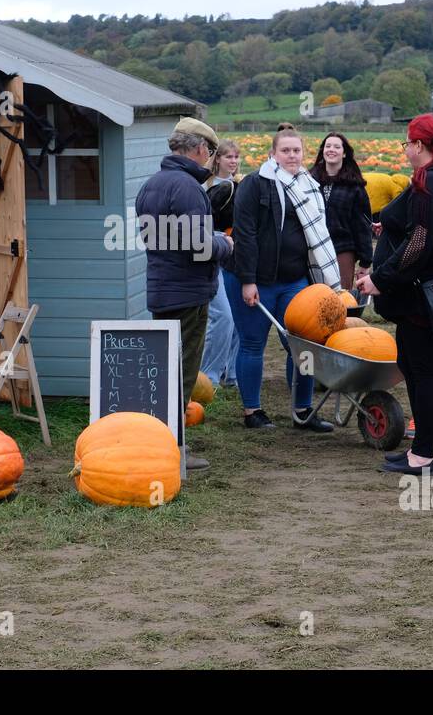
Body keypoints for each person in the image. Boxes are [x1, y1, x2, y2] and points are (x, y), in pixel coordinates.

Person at [356, 114, 433, 474]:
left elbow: (419, 244)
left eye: (406, 144)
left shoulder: (430, 182)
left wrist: (381, 278)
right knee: (420, 370)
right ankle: (418, 452)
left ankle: (422, 456)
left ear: (419, 146)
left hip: (424, 297)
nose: (405, 150)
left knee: (423, 374)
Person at [135, 117, 234, 470]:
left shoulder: (151, 185)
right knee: (182, 373)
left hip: (162, 288)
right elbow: (198, 247)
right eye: (209, 151)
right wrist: (225, 243)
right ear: (199, 149)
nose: (209, 158)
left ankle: (157, 441)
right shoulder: (189, 188)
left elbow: (159, 241)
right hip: (188, 293)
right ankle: (173, 448)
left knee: (164, 370)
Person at [229, 127, 338, 432]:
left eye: (296, 150)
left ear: (303, 153)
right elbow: (246, 234)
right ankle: (253, 411)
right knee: (252, 344)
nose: (292, 156)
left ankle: (302, 410)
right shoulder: (255, 184)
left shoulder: (308, 186)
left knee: (302, 345)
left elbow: (318, 235)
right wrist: (248, 280)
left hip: (294, 280)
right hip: (256, 279)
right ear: (272, 154)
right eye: (285, 151)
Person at [199, 140, 241, 390]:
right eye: (228, 157)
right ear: (217, 159)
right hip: (213, 250)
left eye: (236, 157)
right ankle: (208, 377)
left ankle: (231, 373)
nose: (233, 161)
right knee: (223, 316)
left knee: (235, 317)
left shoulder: (236, 186)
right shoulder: (211, 187)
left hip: (231, 255)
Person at [308, 132, 373, 291]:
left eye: (337, 147)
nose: (331, 149)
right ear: (322, 150)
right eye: (328, 146)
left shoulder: (354, 186)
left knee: (339, 295)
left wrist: (365, 262)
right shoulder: (309, 180)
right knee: (312, 295)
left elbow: (362, 225)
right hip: (312, 247)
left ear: (344, 153)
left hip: (342, 248)